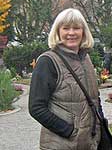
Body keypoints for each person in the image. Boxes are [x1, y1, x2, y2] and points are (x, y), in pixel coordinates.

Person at [29, 8, 103, 149]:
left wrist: (99, 126)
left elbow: (95, 99)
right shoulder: (48, 62)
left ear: (83, 32)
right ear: (57, 31)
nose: (71, 33)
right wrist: (70, 131)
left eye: (76, 28)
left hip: (89, 143)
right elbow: (36, 108)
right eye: (66, 28)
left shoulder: (86, 59)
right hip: (60, 144)